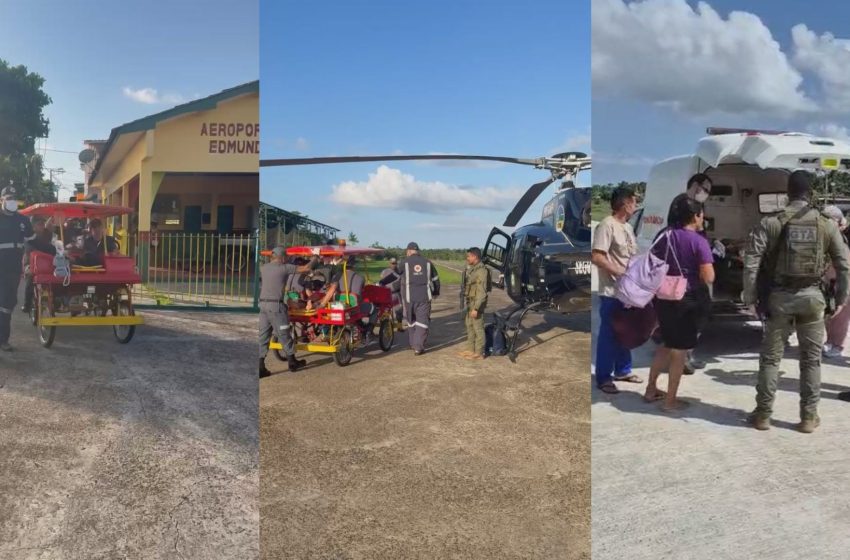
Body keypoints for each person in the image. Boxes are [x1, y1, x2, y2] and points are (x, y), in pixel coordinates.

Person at [742, 170, 850, 433]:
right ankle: (808, 417)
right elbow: (844, 265)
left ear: (787, 192)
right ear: (810, 193)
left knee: (770, 360)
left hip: (778, 298)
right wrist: (839, 299)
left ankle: (763, 415)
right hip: (813, 299)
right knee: (811, 361)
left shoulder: (770, 223)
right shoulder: (826, 224)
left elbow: (751, 263)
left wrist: (751, 297)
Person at [643, 197, 714, 411]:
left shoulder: (663, 235)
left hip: (662, 297)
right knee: (679, 352)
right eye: (701, 214)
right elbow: (709, 276)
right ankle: (670, 401)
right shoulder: (698, 241)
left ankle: (651, 389)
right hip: (686, 299)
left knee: (665, 343)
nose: (703, 218)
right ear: (695, 216)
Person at [591, 185, 640, 394]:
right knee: (609, 334)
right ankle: (603, 377)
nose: (635, 206)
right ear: (625, 203)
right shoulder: (606, 225)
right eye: (634, 202)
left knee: (626, 331)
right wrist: (620, 272)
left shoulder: (627, 228)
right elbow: (597, 256)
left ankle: (623, 370)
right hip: (612, 291)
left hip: (629, 292)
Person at [664, 173, 713, 373]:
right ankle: (682, 359)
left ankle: (688, 355)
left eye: (708, 190)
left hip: (694, 269)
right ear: (694, 185)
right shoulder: (681, 203)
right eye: (704, 188)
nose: (705, 193)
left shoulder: (697, 207)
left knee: (698, 319)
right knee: (687, 320)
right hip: (684, 274)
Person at [259, 247, 316, 377]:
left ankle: (260, 367)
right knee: (284, 333)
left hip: (262, 305)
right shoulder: (284, 267)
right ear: (283, 257)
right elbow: (306, 269)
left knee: (263, 336)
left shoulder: (263, 267)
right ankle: (292, 362)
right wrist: (316, 258)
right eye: (286, 258)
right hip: (276, 306)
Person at [0, 184, 35, 351]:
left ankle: (3, 340)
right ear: (2, 200)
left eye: (13, 199)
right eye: (8, 199)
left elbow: (33, 242)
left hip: (13, 270)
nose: (11, 202)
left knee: (8, 304)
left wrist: (55, 250)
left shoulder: (23, 220)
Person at [397, 242, 440, 355]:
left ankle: (413, 343)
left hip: (409, 298)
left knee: (411, 321)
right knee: (422, 321)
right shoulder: (428, 263)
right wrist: (436, 291)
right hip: (424, 298)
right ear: (418, 251)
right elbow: (435, 279)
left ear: (409, 251)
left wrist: (381, 282)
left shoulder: (404, 262)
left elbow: (394, 275)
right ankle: (418, 347)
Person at [821, 206, 850, 358]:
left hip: (841, 282)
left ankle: (837, 345)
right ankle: (830, 342)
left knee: (841, 314)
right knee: (830, 314)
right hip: (830, 282)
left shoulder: (840, 241)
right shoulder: (830, 238)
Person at [21, 216, 57, 313]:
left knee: (59, 273)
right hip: (31, 263)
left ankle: (58, 299)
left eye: (42, 224)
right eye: (39, 224)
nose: (42, 226)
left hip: (47, 264)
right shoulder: (29, 237)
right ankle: (27, 303)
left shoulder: (47, 235)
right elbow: (30, 250)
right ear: (33, 227)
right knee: (30, 276)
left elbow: (53, 245)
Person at [459, 247, 489, 360]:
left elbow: (482, 292)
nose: (467, 258)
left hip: (477, 303)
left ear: (475, 256)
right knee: (469, 325)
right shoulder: (473, 269)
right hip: (470, 301)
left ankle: (480, 353)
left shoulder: (481, 271)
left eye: (469, 256)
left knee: (478, 327)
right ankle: (471, 349)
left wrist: (476, 308)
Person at [380, 257, 403, 324]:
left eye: (396, 263)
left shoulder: (399, 272)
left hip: (396, 293)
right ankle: (386, 326)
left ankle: (399, 326)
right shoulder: (384, 271)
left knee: (399, 310)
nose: (394, 265)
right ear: (389, 263)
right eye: (393, 263)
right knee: (385, 311)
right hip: (386, 294)